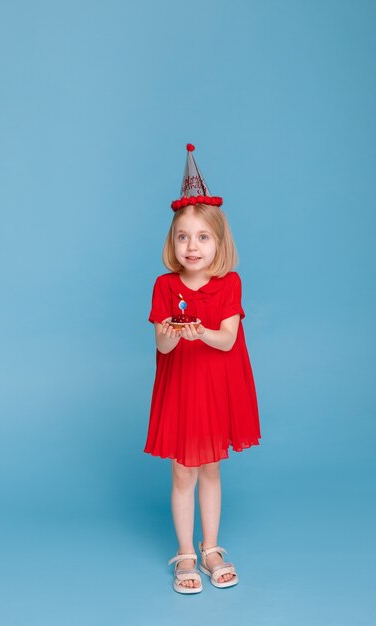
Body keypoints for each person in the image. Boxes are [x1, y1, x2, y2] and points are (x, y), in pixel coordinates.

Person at [143, 144, 261, 594]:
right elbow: (162, 344)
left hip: (215, 386)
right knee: (181, 471)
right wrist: (175, 331)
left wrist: (201, 332)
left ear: (219, 242)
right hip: (180, 387)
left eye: (202, 237)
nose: (192, 246)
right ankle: (186, 553)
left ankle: (212, 548)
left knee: (210, 467)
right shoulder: (165, 286)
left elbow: (227, 338)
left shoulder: (229, 283)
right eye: (183, 237)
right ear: (172, 243)